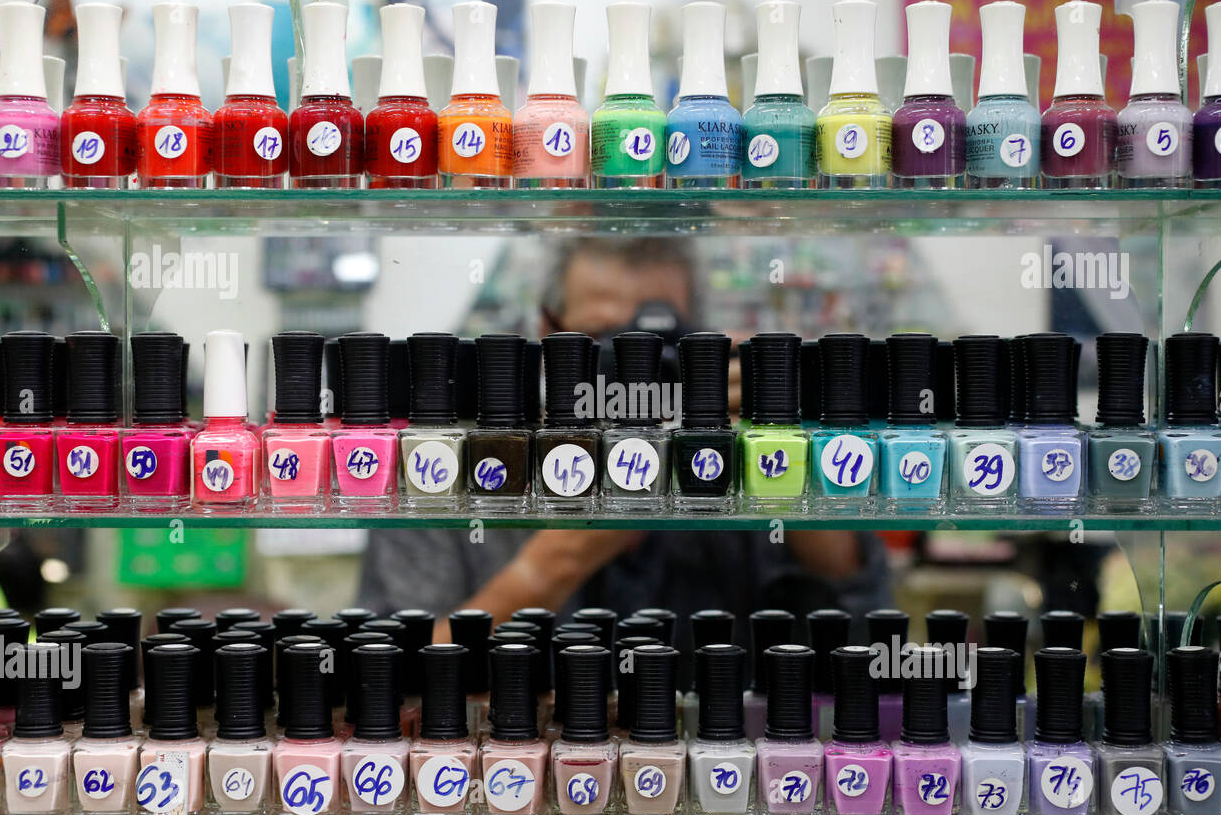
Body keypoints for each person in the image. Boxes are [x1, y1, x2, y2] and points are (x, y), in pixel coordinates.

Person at [358, 237, 890, 658]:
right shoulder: (459, 463)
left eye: (656, 345)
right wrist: (554, 562)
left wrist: (782, 451)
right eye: (606, 341)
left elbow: (862, 641)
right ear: (548, 335)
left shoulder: (730, 461)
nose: (635, 373)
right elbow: (390, 675)